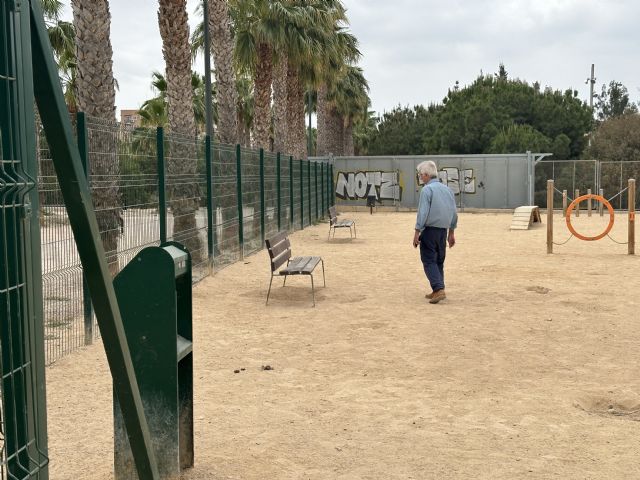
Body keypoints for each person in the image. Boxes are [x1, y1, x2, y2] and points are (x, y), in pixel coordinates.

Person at [412, 160, 458, 304]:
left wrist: (416, 232)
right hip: (442, 232)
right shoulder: (448, 190)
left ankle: (438, 289)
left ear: (426, 175)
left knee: (428, 260)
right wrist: (451, 233)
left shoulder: (427, 190)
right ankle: (438, 289)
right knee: (439, 260)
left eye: (420, 175)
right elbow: (454, 213)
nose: (420, 178)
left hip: (430, 231)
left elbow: (423, 212)